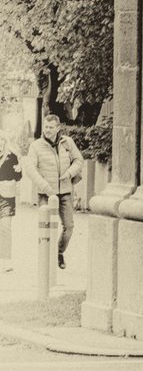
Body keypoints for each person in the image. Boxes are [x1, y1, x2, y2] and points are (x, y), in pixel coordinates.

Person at [25, 113, 83, 270]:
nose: (47, 130)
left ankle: (58, 252)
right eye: (46, 126)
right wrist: (46, 187)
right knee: (46, 227)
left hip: (65, 191)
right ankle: (45, 259)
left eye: (51, 127)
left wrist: (70, 173)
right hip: (46, 193)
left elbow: (79, 160)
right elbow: (30, 169)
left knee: (69, 226)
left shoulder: (67, 143)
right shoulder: (36, 146)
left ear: (58, 128)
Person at [0, 131, 23, 273]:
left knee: (5, 228)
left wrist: (19, 170)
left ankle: (5, 260)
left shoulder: (12, 157)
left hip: (6, 196)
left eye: (1, 139)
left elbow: (19, 176)